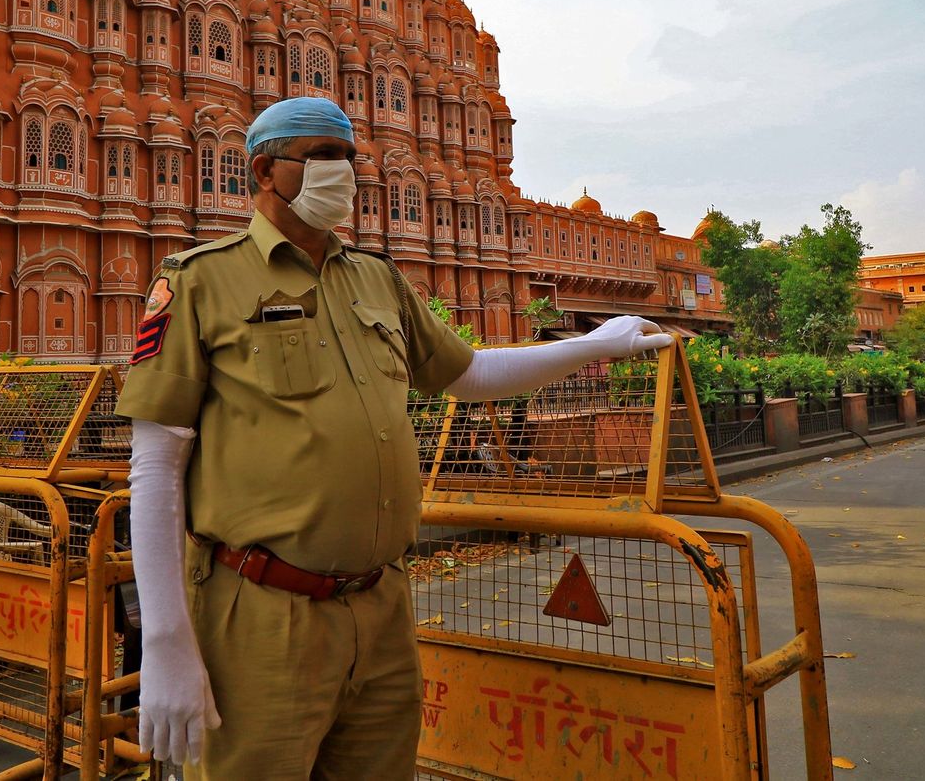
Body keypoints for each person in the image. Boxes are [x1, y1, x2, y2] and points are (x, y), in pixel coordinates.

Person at [114, 97, 673, 778]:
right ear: (264, 170)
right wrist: (167, 640)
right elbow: (155, 464)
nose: (343, 172)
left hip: (380, 607)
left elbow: (467, 373)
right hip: (261, 614)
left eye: (349, 157)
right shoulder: (202, 280)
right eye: (322, 157)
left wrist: (594, 345)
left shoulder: (376, 279)